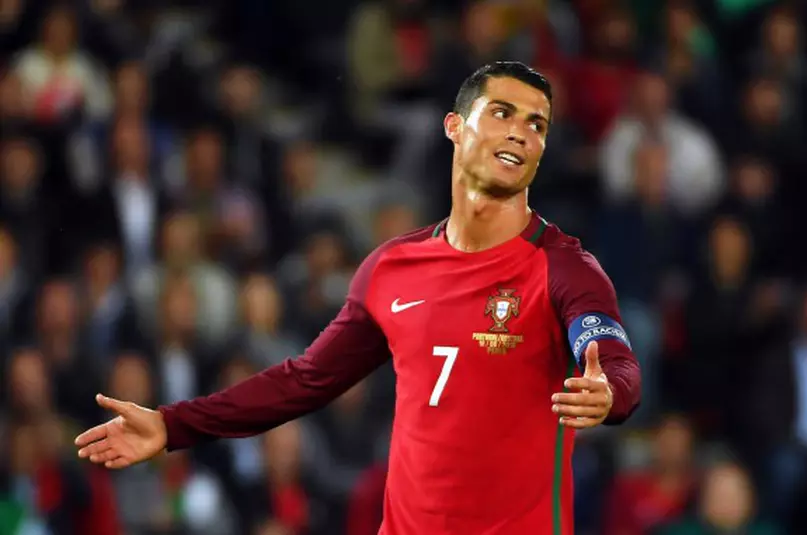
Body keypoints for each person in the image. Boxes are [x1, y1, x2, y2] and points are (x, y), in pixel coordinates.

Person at [75, 61, 642, 535]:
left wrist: (607, 392)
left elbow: (615, 363)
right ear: (453, 126)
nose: (522, 131)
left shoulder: (564, 267)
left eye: (537, 123)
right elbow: (303, 380)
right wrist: (174, 427)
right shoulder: (392, 269)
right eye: (502, 112)